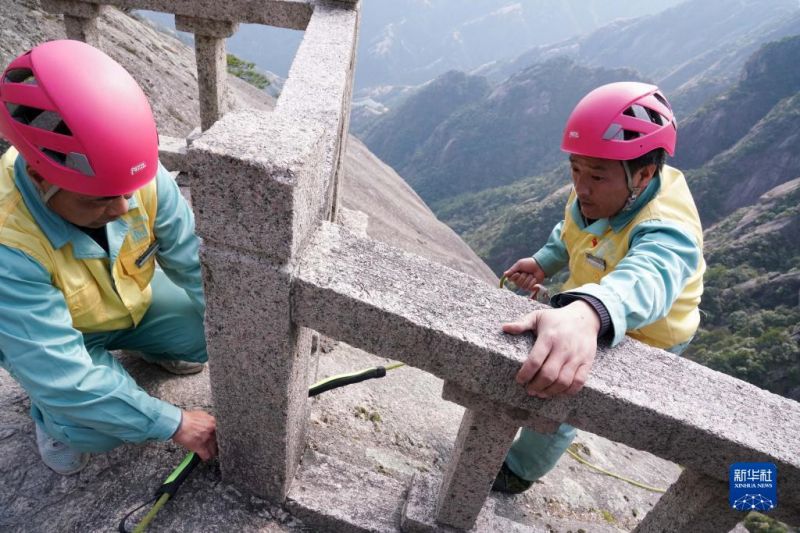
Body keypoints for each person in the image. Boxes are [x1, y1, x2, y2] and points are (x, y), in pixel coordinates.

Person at [0, 40, 216, 475]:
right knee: (94, 430)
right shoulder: (9, 243)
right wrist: (172, 423)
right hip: (64, 337)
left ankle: (136, 352)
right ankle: (51, 417)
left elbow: (195, 263)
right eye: (99, 200)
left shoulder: (134, 171)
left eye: (127, 192)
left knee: (212, 339)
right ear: (41, 178)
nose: (121, 208)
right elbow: (64, 374)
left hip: (130, 300)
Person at [493, 82, 705, 493]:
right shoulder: (601, 196)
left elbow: (649, 276)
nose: (581, 187)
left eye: (595, 175)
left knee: (562, 390)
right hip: (590, 302)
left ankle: (519, 472)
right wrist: (543, 262)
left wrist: (589, 313)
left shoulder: (668, 228)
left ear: (643, 174)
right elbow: (571, 231)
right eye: (574, 169)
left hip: (647, 330)